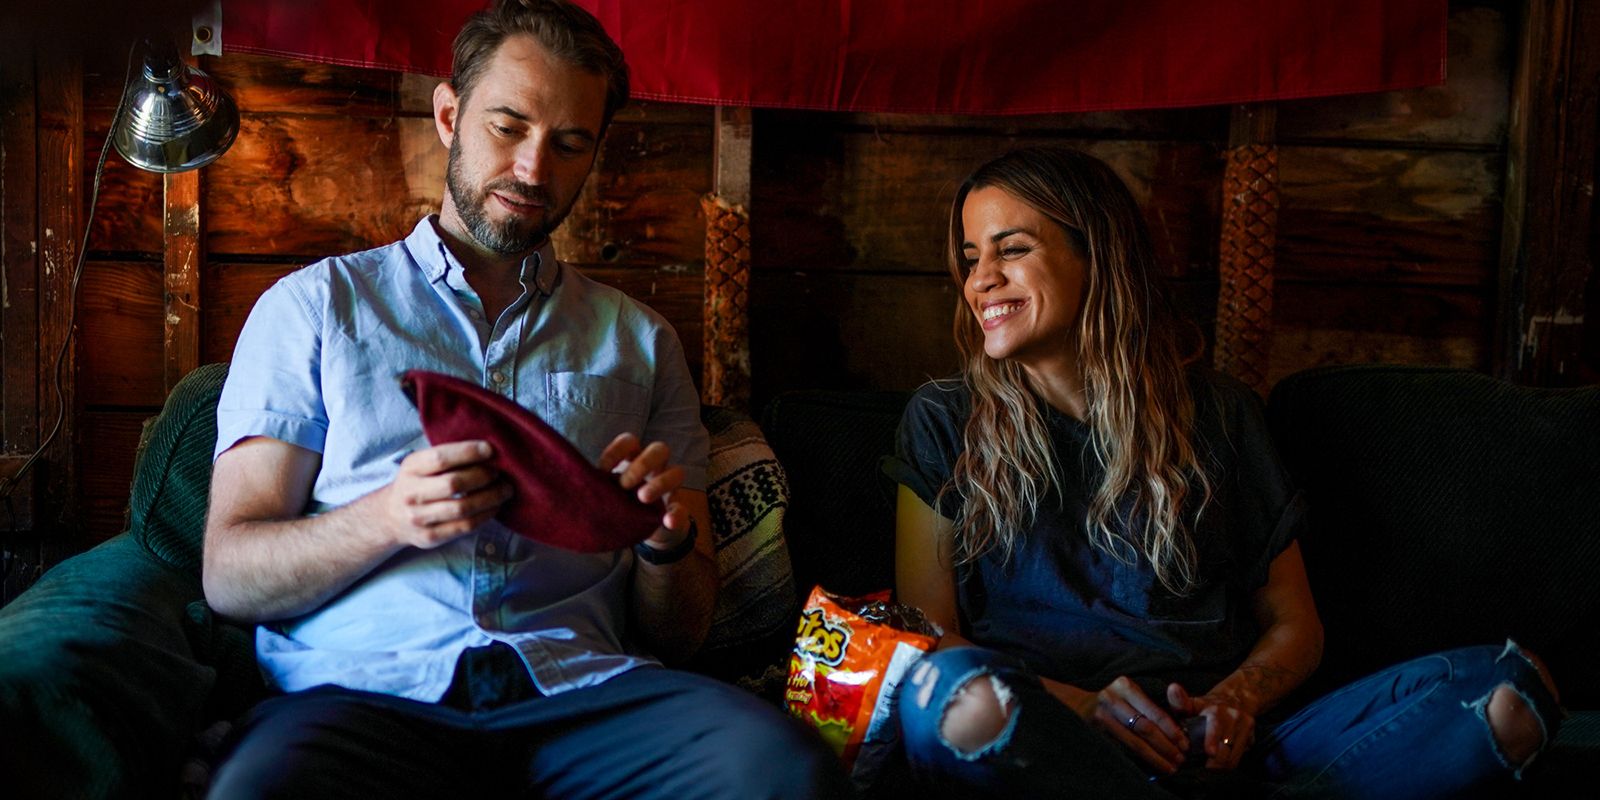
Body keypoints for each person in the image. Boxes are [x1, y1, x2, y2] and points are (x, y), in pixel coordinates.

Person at [200, 2, 848, 797]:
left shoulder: (640, 343)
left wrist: (663, 542)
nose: (535, 170)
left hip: (585, 697)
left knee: (784, 771)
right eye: (509, 127)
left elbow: (681, 634)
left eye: (570, 143)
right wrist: (386, 518)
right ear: (449, 115)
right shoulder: (315, 309)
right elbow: (228, 577)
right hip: (363, 698)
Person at [884, 146, 1563, 799]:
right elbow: (926, 630)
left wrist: (1234, 702)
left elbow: (1296, 624)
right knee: (950, 698)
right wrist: (1085, 708)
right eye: (971, 258)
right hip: (1044, 734)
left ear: (1098, 255)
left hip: (1213, 740)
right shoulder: (945, 418)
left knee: (1509, 691)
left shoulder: (1219, 414)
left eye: (1011, 249)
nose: (980, 280)